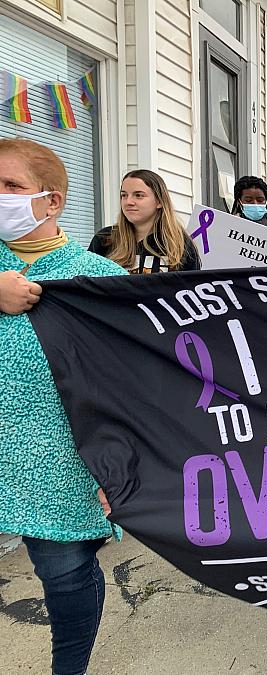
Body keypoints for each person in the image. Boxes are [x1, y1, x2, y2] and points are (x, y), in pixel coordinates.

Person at [0, 139, 126, 675]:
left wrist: (116, 469)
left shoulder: (97, 278)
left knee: (65, 576)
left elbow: (126, 386)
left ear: (51, 202)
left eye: (10, 187)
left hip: (57, 463)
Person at [89, 170, 200, 273]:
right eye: (124, 195)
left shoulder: (179, 244)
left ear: (159, 201)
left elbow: (191, 289)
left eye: (138, 195)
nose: (128, 202)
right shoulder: (104, 239)